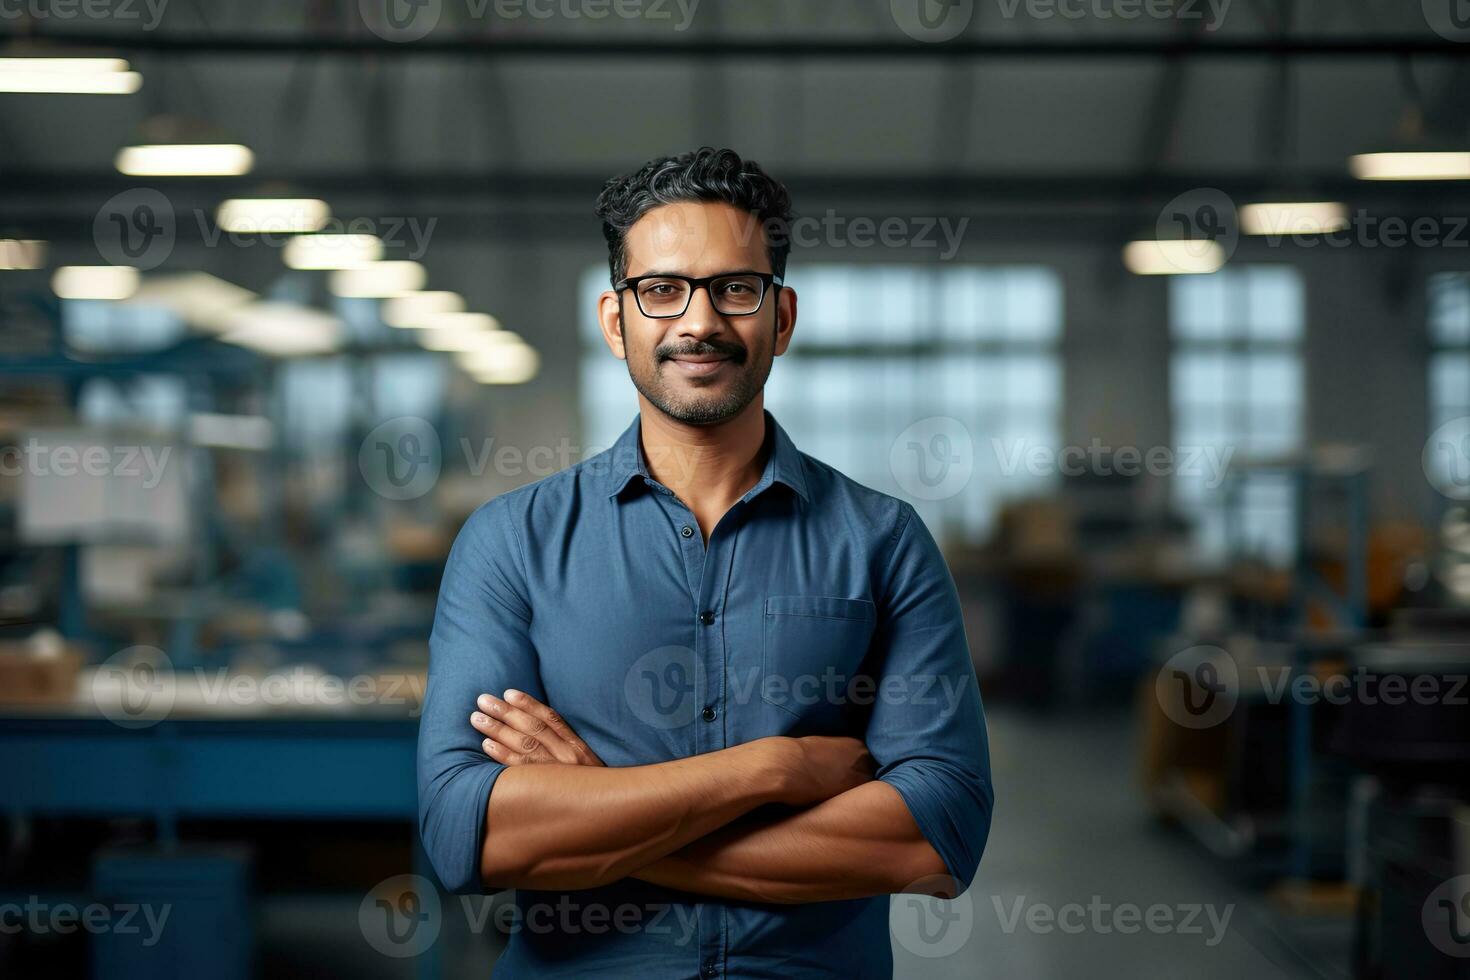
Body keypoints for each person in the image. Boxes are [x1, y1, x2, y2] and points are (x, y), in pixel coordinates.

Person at [417, 146, 994, 978]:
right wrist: (774, 768)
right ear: (616, 320)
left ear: (781, 317)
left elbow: (937, 837)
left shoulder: (883, 542)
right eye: (662, 289)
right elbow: (466, 834)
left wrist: (598, 812)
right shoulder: (511, 542)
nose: (699, 322)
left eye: (735, 289)